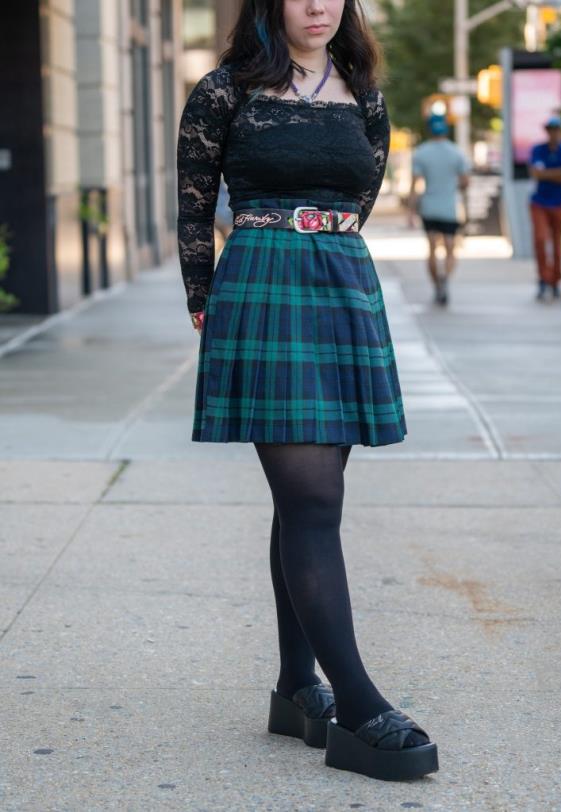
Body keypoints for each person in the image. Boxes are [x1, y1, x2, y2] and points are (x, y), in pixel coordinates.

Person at [176, 0, 438, 783]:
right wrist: (204, 299)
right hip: (263, 284)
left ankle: (297, 690)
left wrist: (324, 240)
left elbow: (365, 190)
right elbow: (194, 205)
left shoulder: (364, 89)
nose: (319, 4)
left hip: (342, 283)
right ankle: (357, 707)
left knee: (305, 503)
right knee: (315, 501)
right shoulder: (224, 91)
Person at [408, 114, 470, 306]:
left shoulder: (421, 153)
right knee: (451, 248)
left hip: (429, 206)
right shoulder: (456, 153)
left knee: (432, 248)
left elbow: (415, 185)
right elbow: (465, 182)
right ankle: (445, 279)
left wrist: (410, 212)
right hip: (449, 207)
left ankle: (436, 285)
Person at [528, 114, 561, 301]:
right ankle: (543, 278)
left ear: (560, 132)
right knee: (540, 240)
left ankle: (555, 280)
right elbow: (536, 174)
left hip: (559, 203)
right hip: (539, 202)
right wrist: (558, 174)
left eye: (556, 129)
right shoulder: (538, 150)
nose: (553, 133)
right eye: (550, 129)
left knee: (557, 244)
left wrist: (546, 174)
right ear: (547, 132)